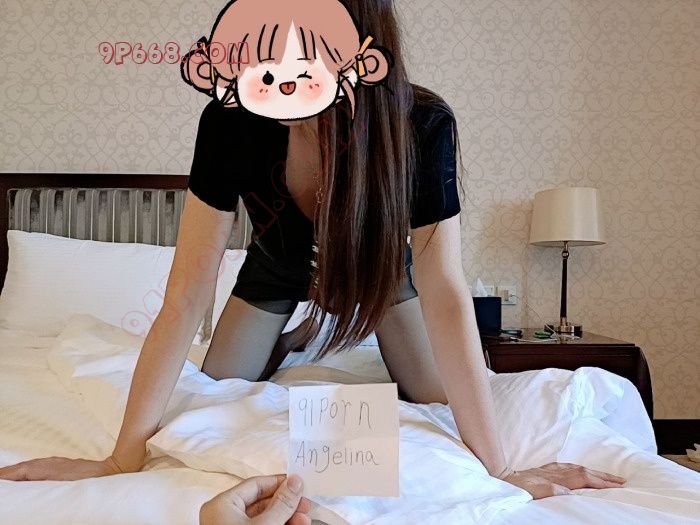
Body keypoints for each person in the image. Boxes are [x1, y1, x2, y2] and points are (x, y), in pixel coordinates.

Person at [0, 0, 626, 510]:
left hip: (380, 277)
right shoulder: (231, 121)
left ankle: (322, 329)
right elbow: (187, 293)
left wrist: (500, 470)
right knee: (220, 388)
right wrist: (121, 460)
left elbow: (445, 291)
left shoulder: (420, 124)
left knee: (435, 396)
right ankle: (296, 339)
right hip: (273, 268)